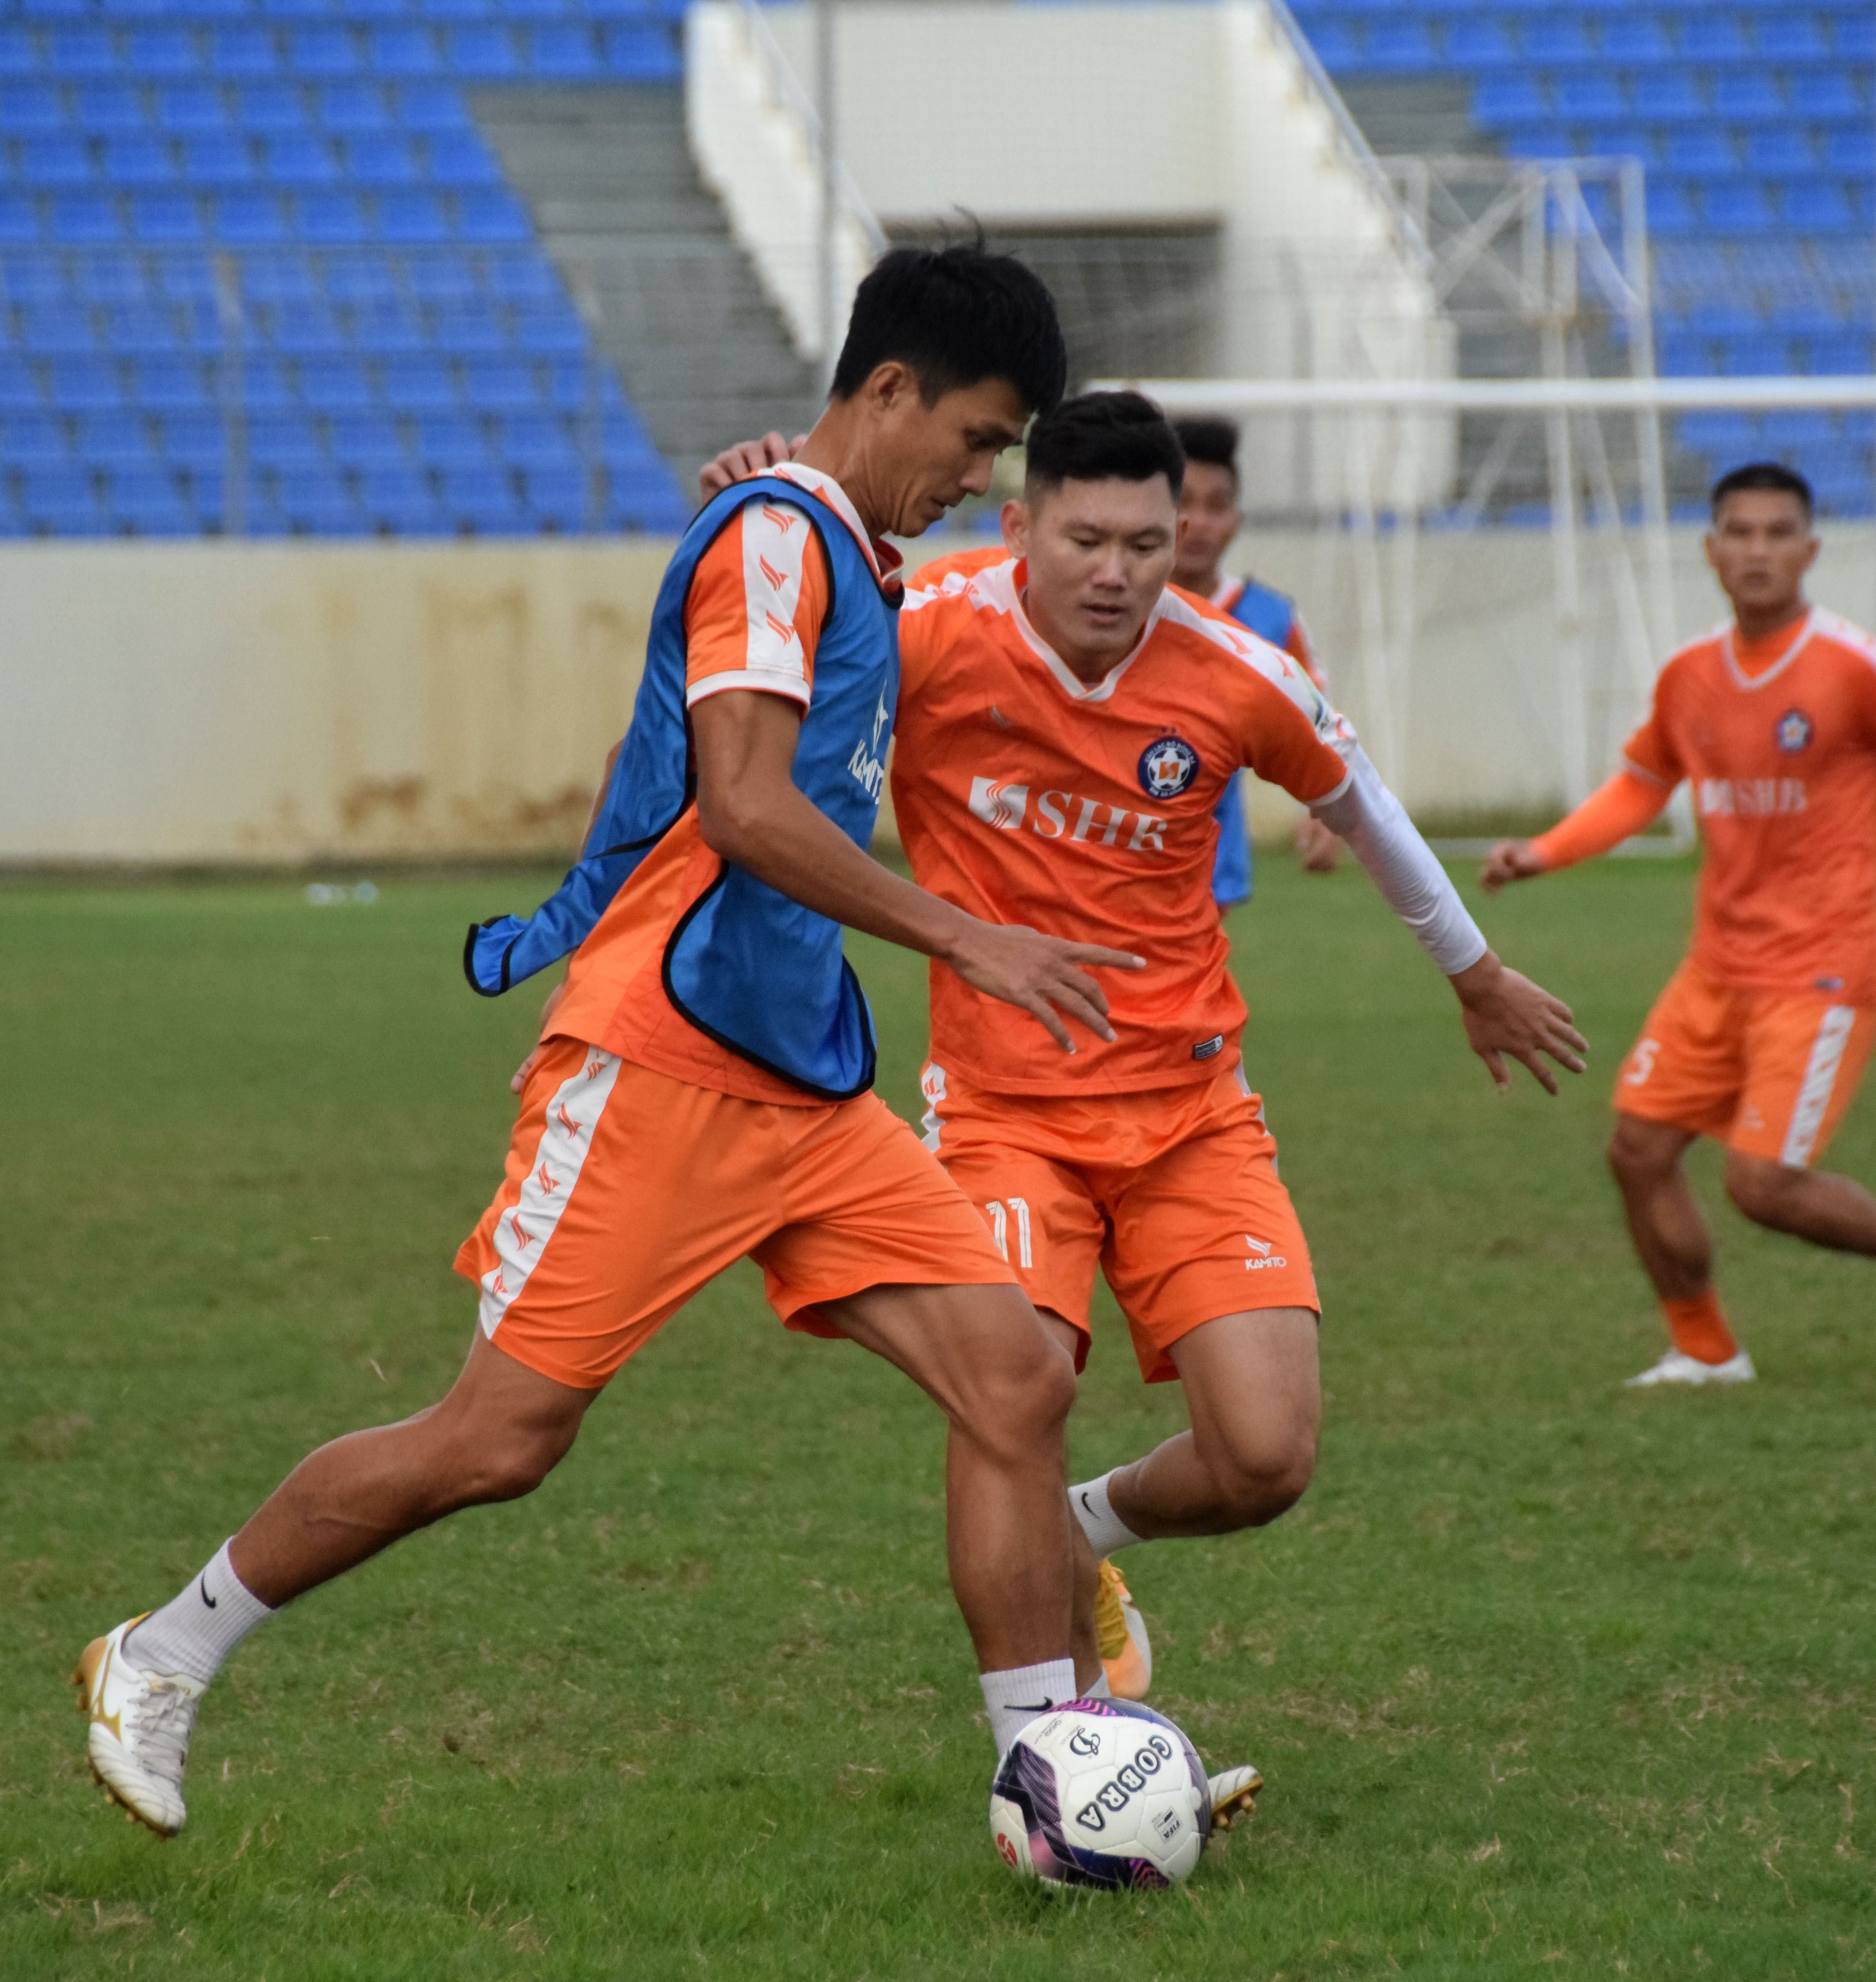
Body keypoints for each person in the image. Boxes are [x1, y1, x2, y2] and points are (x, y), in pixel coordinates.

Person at [75, 246, 1137, 1841]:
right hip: (662, 1060)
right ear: (889, 389)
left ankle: (1056, 1770)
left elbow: (685, 764)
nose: (978, 474)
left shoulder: (836, 537)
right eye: (976, 440)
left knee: (1012, 1379)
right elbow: (745, 801)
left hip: (798, 1075)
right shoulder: (777, 538)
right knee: (498, 1438)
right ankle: (159, 1651)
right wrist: (967, 934)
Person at [704, 393, 1586, 1714]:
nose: (1117, 572)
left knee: (1265, 1459)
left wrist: (1476, 975)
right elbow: (751, 673)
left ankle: (1080, 1528)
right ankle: (1050, 1748)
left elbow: (1372, 812)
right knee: (1018, 1393)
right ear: (1020, 527)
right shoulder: (925, 634)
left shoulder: (1238, 672)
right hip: (1003, 1115)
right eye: (1087, 540)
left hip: (1192, 1118)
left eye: (1147, 543)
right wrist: (759, 496)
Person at [1483, 460, 1876, 1388]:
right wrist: (1546, 850)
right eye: (1738, 531)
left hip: (1824, 965)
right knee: (1638, 1149)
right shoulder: (1691, 674)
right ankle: (1705, 1347)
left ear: (1811, 548)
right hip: (1717, 966)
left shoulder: (1849, 668)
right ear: (1709, 549)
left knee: (1763, 1185)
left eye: (1778, 532)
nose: (1757, 550)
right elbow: (1642, 783)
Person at [1169, 415, 1344, 898]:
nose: (1198, 522)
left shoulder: (1271, 618)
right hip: (1108, 845)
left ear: (1237, 520)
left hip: (1212, 861)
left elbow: (1319, 726)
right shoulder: (1113, 603)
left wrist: (1327, 811)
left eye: (1216, 506)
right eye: (1182, 503)